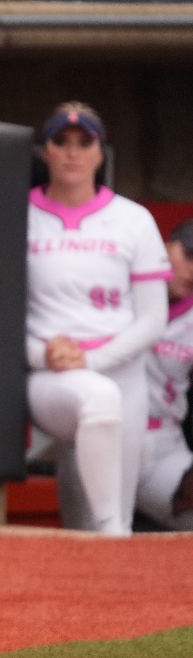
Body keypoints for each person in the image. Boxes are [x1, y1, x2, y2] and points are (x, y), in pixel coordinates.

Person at [25, 103, 169, 537]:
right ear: (44, 151)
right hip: (49, 372)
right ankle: (112, 534)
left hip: (120, 371)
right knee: (109, 526)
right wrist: (42, 353)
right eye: (61, 142)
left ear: (100, 153)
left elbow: (153, 319)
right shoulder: (18, 216)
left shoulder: (133, 219)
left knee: (99, 516)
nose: (72, 153)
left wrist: (92, 360)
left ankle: (95, 591)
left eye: (84, 143)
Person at [135, 219, 193, 531]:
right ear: (167, 246)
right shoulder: (116, 292)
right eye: (190, 256)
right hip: (102, 438)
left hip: (162, 446)